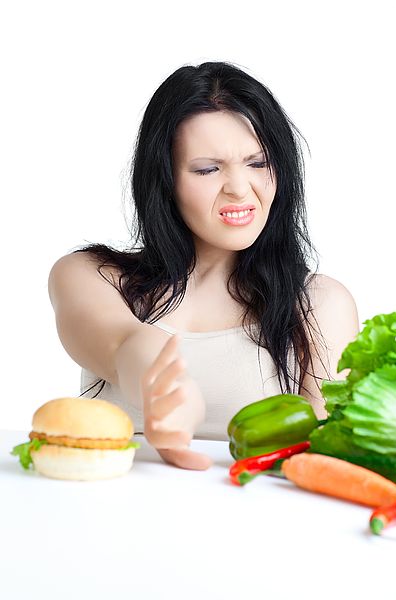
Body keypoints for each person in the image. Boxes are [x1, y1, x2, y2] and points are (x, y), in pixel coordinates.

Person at [48, 61, 359, 471]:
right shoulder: (90, 275)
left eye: (258, 163)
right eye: (208, 169)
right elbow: (121, 343)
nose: (239, 188)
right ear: (165, 180)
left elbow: (323, 459)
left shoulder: (321, 304)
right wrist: (162, 388)